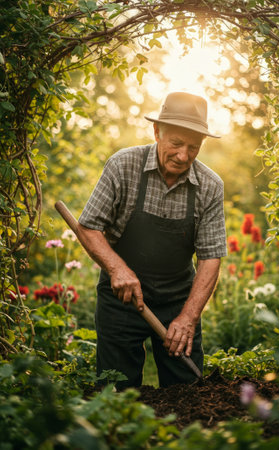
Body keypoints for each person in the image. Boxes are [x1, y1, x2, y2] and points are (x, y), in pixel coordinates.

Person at [77, 91, 227, 389]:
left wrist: (188, 317)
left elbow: (211, 257)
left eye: (193, 148)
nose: (183, 156)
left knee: (188, 393)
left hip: (178, 301)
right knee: (116, 390)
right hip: (121, 299)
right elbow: (89, 227)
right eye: (175, 144)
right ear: (157, 132)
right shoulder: (123, 166)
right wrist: (117, 269)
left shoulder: (210, 186)